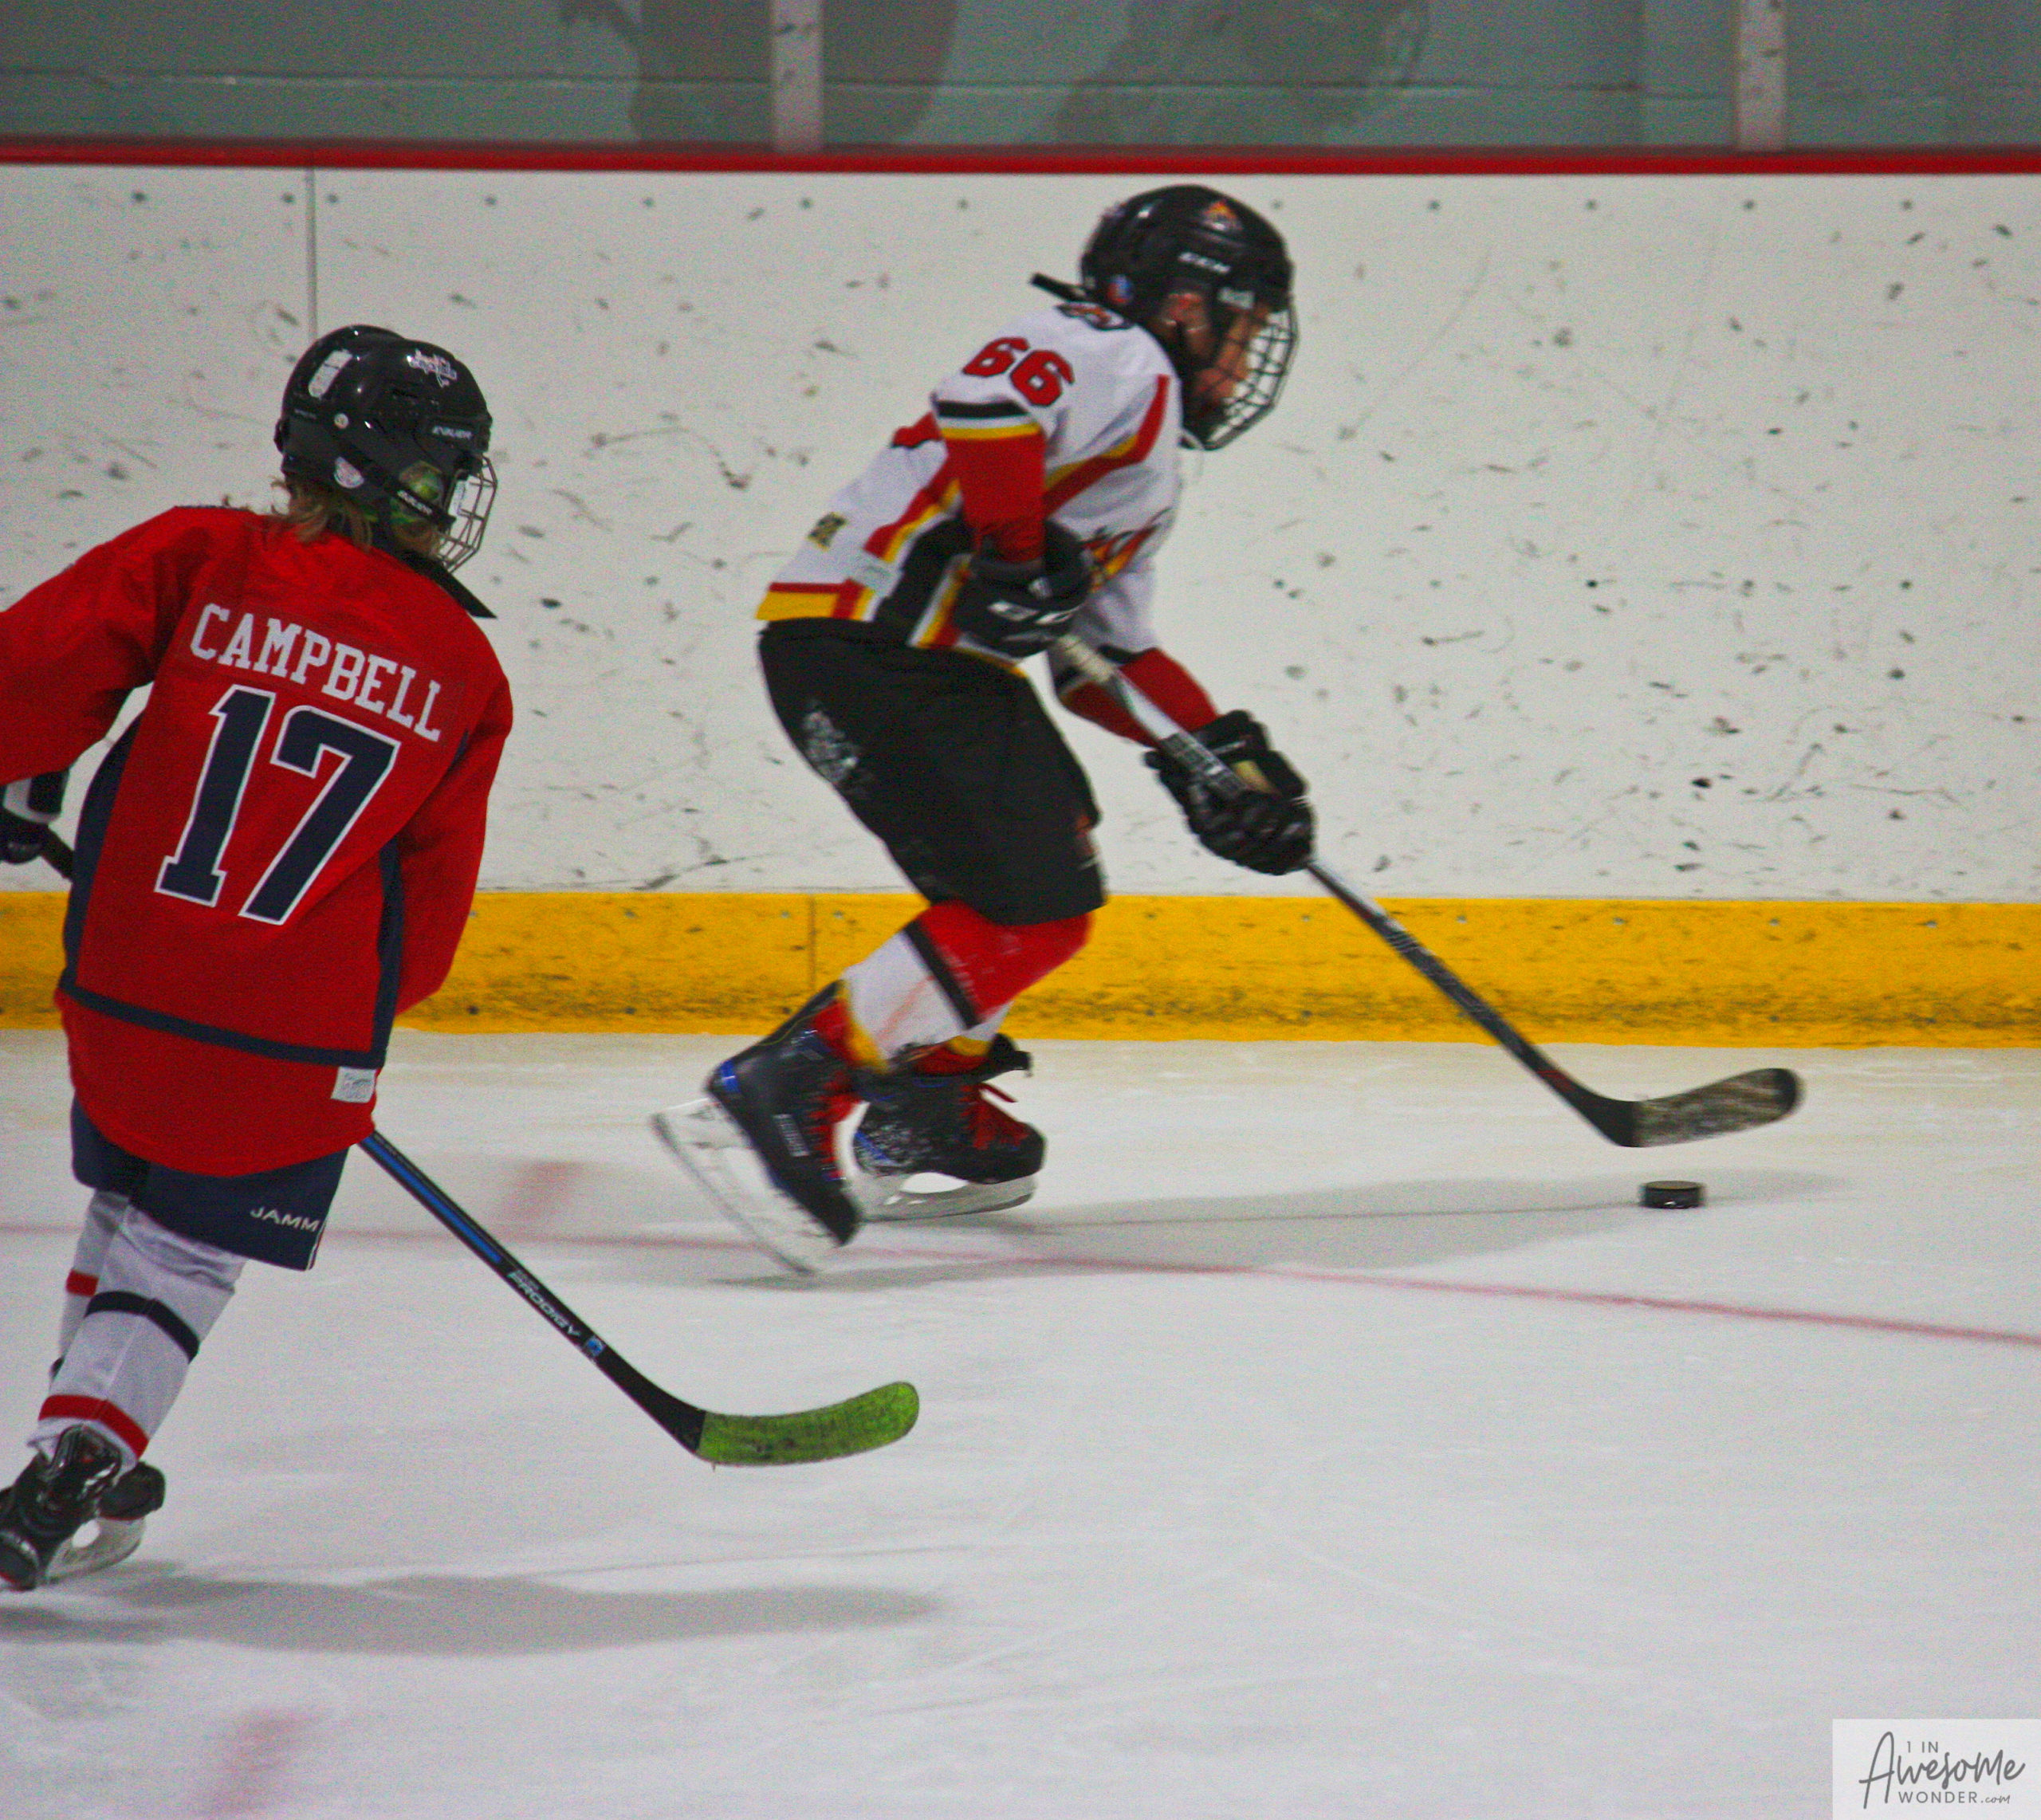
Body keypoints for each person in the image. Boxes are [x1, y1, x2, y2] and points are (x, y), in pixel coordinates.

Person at [663, 186, 1315, 1258]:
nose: (1243, 366)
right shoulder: (1113, 351)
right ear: (1185, 305)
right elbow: (988, 402)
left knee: (1047, 859)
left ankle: (931, 1098)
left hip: (902, 664)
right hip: (875, 645)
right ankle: (791, 1083)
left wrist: (1220, 760)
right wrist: (1013, 552)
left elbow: (1105, 664)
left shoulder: (1147, 469)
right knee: (1034, 905)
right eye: (1240, 332)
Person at [0, 325, 513, 1590]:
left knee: (133, 1202)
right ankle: (74, 1460)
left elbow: (31, 674)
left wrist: (24, 777)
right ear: (379, 473)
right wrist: (346, 1048)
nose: (449, 504)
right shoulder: (464, 666)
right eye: (438, 475)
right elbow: (427, 918)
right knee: (182, 1247)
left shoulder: (201, 555)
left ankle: (90, 1445)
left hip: (118, 993)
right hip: (289, 1037)